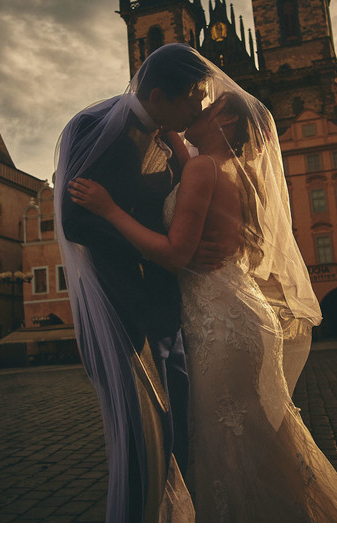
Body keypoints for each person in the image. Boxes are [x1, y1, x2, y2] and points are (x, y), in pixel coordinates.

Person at [69, 59, 337, 523]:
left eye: (207, 106)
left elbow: (173, 253)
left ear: (225, 121)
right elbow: (195, 172)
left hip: (219, 324)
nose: (197, 108)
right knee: (256, 440)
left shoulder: (205, 169)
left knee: (223, 447)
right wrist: (169, 133)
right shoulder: (224, 169)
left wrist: (109, 209)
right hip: (239, 310)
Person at [55, 44, 224, 522]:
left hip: (166, 303)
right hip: (121, 302)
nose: (199, 107)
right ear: (157, 94)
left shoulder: (167, 136)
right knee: (141, 439)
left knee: (177, 431)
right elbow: (75, 220)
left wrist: (183, 250)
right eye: (192, 97)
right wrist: (162, 252)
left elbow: (163, 209)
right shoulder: (95, 127)